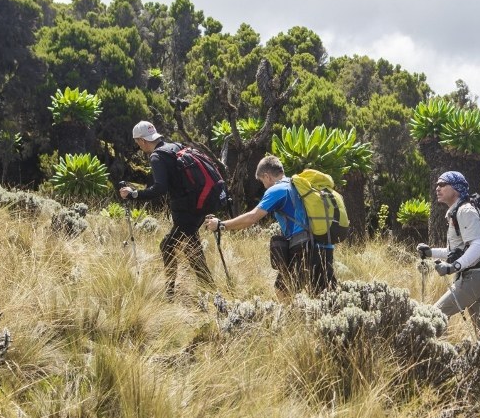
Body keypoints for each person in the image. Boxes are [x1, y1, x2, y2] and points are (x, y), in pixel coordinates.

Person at [204, 155, 335, 294]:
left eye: (262, 181)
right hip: (325, 245)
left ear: (267, 176)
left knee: (283, 293)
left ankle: (295, 316)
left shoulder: (277, 190)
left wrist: (221, 225)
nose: (264, 185)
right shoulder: (299, 185)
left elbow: (252, 217)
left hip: (303, 248)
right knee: (325, 296)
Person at [119, 120, 213, 297]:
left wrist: (134, 194)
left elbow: (160, 189)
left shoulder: (156, 156)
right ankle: (211, 291)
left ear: (142, 140)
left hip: (185, 212)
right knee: (192, 250)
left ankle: (170, 293)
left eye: (138, 142)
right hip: (197, 207)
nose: (139, 146)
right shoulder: (175, 146)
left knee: (167, 246)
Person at [416, 171, 480, 335]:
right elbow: (456, 251)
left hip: (474, 277)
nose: (437, 188)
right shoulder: (457, 212)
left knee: (434, 317)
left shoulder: (465, 211)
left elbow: (478, 245)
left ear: (457, 188)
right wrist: (431, 252)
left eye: (443, 184)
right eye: (437, 185)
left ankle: (430, 357)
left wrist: (453, 267)